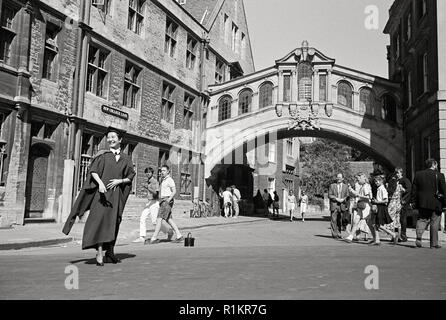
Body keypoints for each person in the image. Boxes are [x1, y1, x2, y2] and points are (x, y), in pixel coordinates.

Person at [62, 128, 135, 266]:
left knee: (114, 222)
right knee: (100, 222)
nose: (110, 139)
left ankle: (110, 251)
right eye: (108, 137)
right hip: (101, 195)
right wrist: (101, 184)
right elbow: (93, 171)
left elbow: (131, 175)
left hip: (116, 195)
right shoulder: (102, 155)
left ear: (120, 140)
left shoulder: (126, 158)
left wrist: (120, 181)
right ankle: (100, 252)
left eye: (113, 137)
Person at [411, 158, 446, 249]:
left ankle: (419, 236)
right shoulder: (440, 175)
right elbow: (444, 190)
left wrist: (413, 202)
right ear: (434, 165)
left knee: (422, 220)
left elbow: (414, 190)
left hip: (422, 203)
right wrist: (445, 203)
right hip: (436, 203)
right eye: (436, 165)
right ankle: (433, 244)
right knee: (434, 223)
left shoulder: (418, 174)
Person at [133, 167, 173, 243]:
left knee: (155, 222)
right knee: (142, 218)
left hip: (154, 202)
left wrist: (148, 188)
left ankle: (169, 231)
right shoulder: (147, 181)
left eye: (149, 172)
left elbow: (156, 194)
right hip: (149, 202)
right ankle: (142, 237)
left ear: (152, 173)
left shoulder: (155, 182)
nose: (148, 174)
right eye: (146, 172)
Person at [146, 165, 183, 244]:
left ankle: (154, 238)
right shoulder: (163, 180)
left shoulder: (169, 180)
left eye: (164, 170)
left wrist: (169, 199)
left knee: (159, 219)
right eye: (161, 170)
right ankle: (179, 235)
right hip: (162, 201)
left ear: (168, 171)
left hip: (166, 201)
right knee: (169, 219)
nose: (162, 172)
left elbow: (174, 191)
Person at [344, 173, 372, 243]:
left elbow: (368, 197)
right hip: (361, 207)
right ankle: (350, 237)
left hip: (366, 207)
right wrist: (352, 191)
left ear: (363, 178)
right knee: (356, 221)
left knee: (372, 224)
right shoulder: (362, 186)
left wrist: (358, 195)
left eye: (358, 179)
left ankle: (391, 234)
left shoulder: (366, 186)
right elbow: (357, 194)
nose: (357, 180)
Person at [370, 176, 397, 245]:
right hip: (378, 206)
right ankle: (377, 240)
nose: (376, 183)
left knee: (377, 224)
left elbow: (386, 200)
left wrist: (377, 202)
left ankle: (392, 234)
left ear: (381, 181)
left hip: (381, 207)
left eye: (377, 181)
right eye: (375, 181)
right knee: (375, 224)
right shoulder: (379, 188)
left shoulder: (382, 189)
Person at [328, 173, 349, 239]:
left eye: (340, 177)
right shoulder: (332, 185)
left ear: (343, 178)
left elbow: (347, 195)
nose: (339, 178)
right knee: (333, 220)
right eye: (338, 177)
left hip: (342, 205)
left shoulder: (346, 186)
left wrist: (343, 199)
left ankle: (339, 233)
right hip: (334, 204)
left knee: (340, 220)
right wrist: (336, 199)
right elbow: (330, 195)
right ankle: (334, 234)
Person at [395, 168, 412, 242]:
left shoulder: (405, 180)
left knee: (402, 218)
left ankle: (403, 234)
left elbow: (409, 190)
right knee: (396, 219)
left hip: (403, 202)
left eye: (398, 173)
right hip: (395, 202)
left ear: (401, 173)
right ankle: (396, 235)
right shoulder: (395, 181)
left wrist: (404, 200)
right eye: (396, 173)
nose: (396, 174)